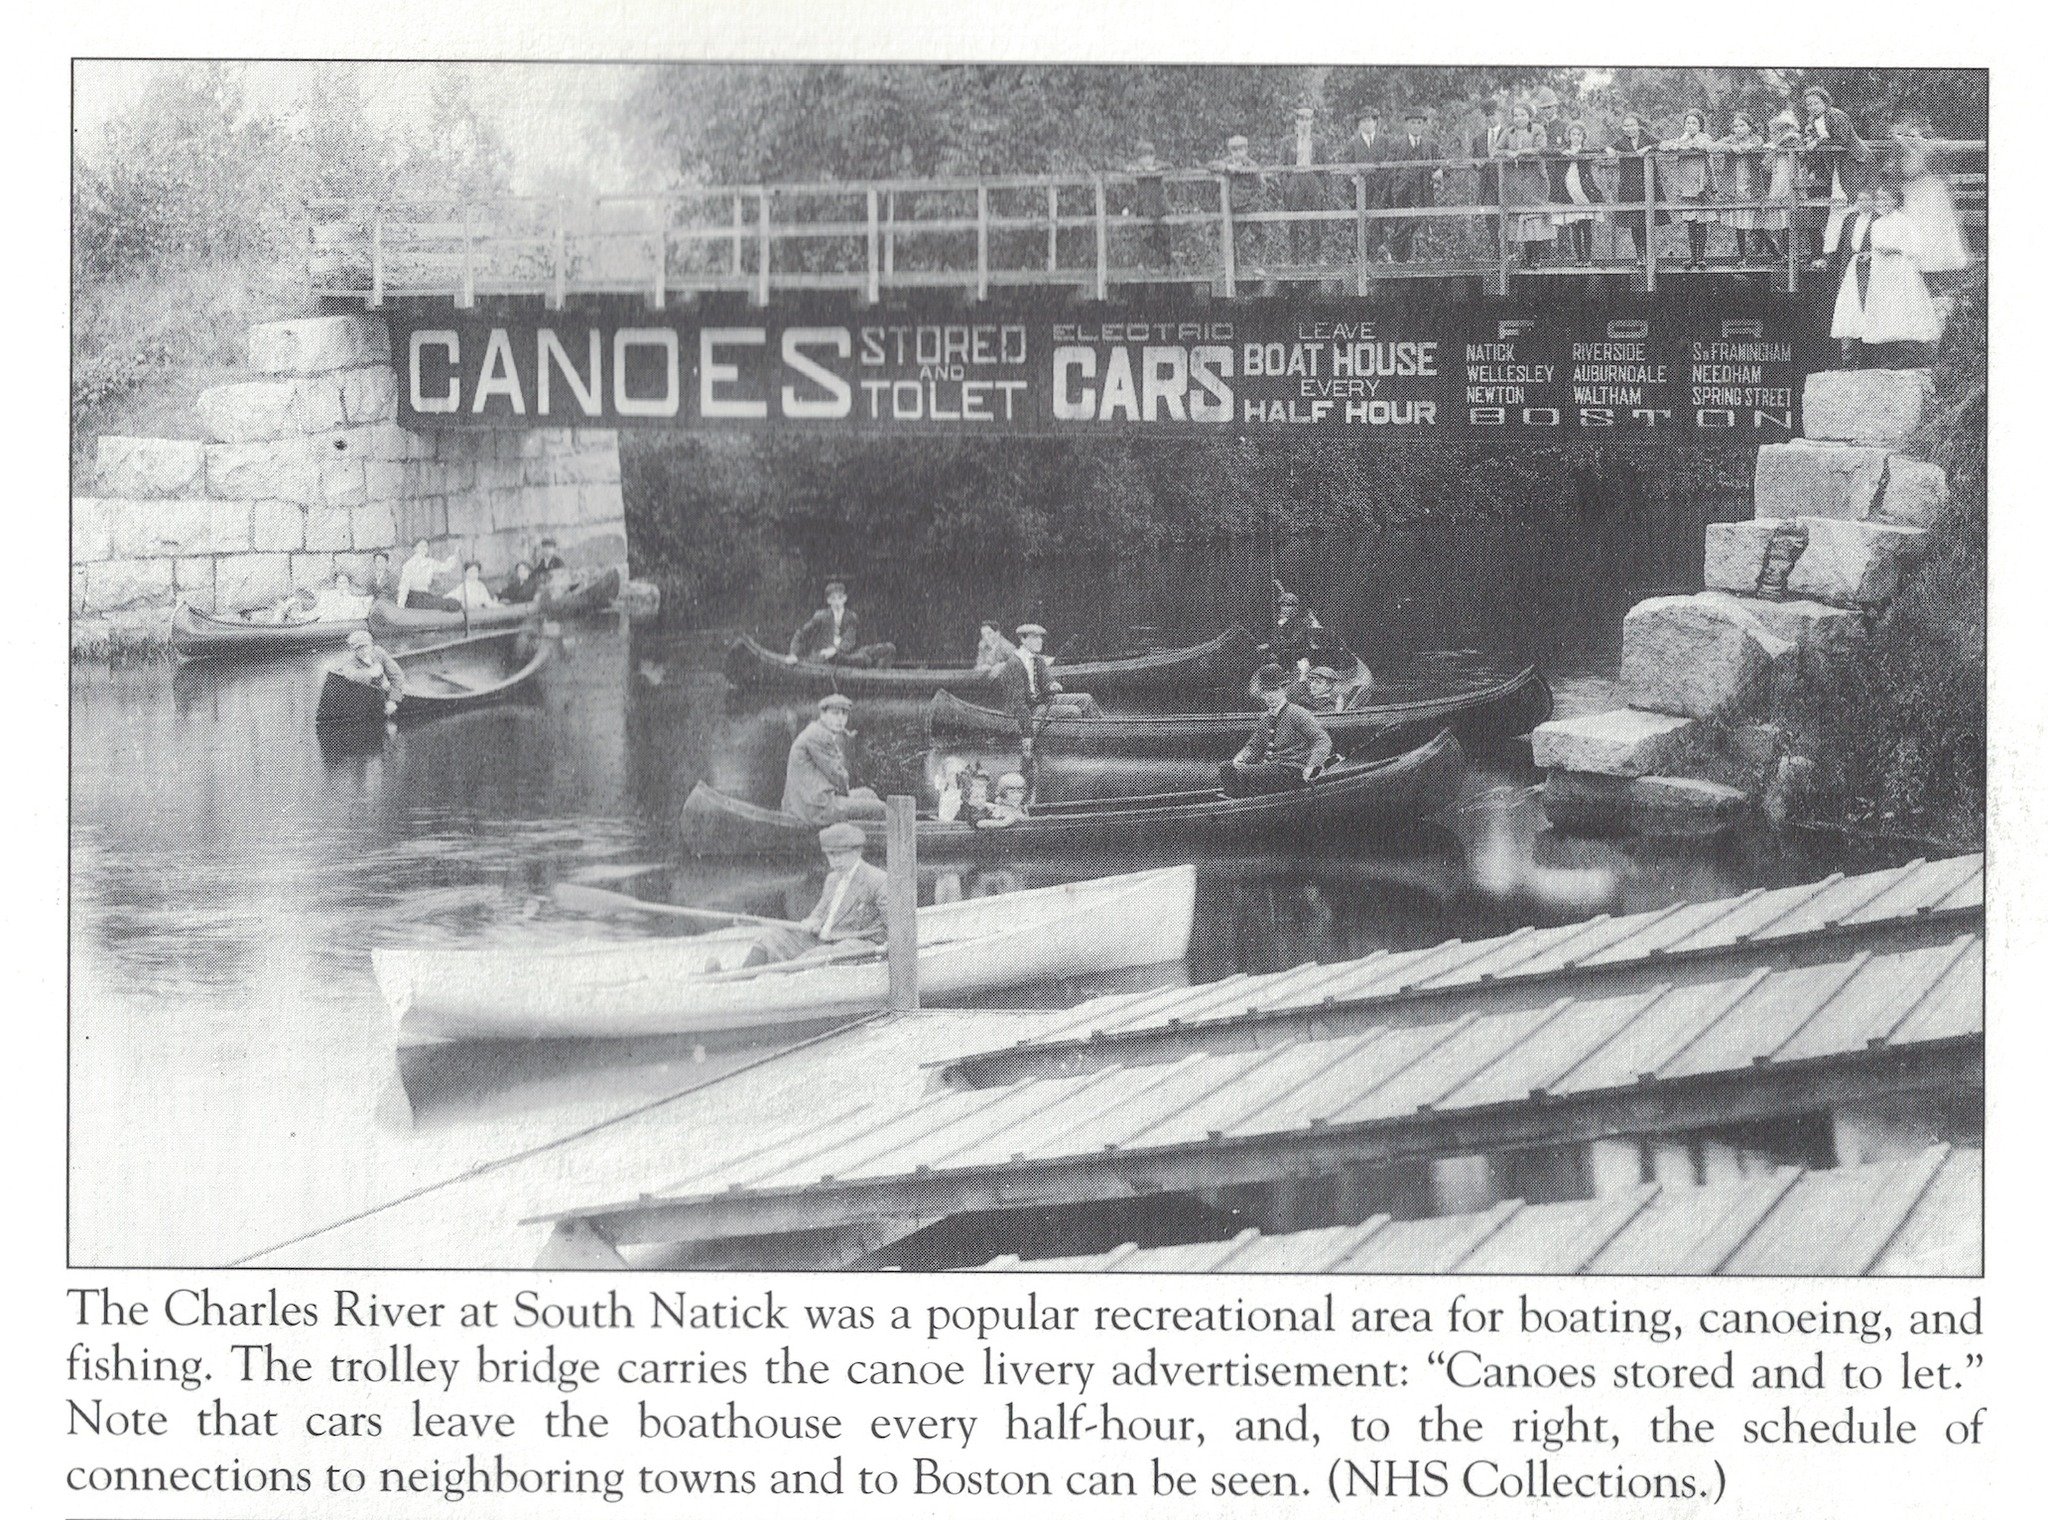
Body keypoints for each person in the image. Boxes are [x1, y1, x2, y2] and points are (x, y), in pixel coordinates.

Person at [1835, 180, 1942, 366]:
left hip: (1900, 270)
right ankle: (1889, 356)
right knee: (1885, 311)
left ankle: (1909, 356)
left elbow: (1915, 247)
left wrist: (1895, 249)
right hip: (1883, 272)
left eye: (1887, 199)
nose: (1883, 203)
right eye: (1880, 199)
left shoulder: (1904, 221)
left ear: (1895, 200)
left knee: (1903, 308)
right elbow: (1875, 247)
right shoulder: (1877, 224)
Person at [1221, 664, 1334, 797]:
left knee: (1245, 773)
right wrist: (1240, 758)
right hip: (1272, 769)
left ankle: (1243, 803)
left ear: (1283, 690)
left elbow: (1323, 740)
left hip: (1293, 770)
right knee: (1227, 767)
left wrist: (1313, 766)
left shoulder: (1298, 713)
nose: (1269, 696)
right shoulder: (1265, 717)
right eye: (1265, 692)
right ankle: (1237, 800)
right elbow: (1254, 745)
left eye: (1274, 690)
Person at [780, 693, 888, 824]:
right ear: (823, 715)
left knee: (868, 793)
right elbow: (837, 776)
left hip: (811, 800)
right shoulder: (820, 736)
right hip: (814, 807)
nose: (840, 719)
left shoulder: (817, 730)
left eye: (844, 714)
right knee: (880, 808)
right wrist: (846, 796)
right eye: (835, 713)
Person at [1800, 85, 1873, 265]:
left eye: (1816, 103)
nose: (1813, 107)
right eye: (1809, 104)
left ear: (1825, 102)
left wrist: (1818, 142)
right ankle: (1836, 252)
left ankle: (1854, 249)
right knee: (1838, 205)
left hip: (1854, 162)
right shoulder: (1814, 121)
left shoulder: (1836, 115)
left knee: (1851, 202)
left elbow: (1842, 140)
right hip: (1838, 165)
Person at [1891, 120, 1970, 276]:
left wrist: (1907, 143)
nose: (1910, 139)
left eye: (1914, 135)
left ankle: (1934, 264)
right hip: (1914, 191)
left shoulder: (1926, 150)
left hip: (1929, 192)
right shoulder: (1902, 153)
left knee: (1931, 227)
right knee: (1914, 226)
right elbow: (1904, 172)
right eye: (1907, 135)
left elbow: (1916, 168)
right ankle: (1915, 263)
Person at [1381, 106, 1444, 264]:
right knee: (1405, 223)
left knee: (1415, 222)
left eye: (1419, 123)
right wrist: (1397, 180)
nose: (1416, 126)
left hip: (1423, 192)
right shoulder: (1397, 145)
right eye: (1413, 123)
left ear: (1423, 125)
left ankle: (1391, 249)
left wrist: (1441, 170)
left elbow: (1444, 161)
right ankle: (1402, 259)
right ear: (1407, 125)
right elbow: (1387, 167)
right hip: (1402, 193)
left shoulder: (1430, 145)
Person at [1658, 110, 1720, 268]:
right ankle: (1692, 257)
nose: (1690, 126)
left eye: (1694, 123)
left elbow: (1704, 146)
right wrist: (1677, 143)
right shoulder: (1681, 140)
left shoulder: (1705, 138)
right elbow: (1666, 146)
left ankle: (1701, 257)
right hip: (1687, 185)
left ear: (1700, 125)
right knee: (1691, 222)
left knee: (1702, 221)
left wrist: (1686, 143)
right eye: (1688, 123)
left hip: (1701, 184)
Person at [786, 579, 896, 667]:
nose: (837, 602)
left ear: (845, 598)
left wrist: (836, 650)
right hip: (824, 656)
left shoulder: (851, 617)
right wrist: (793, 654)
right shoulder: (820, 616)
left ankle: (877, 677)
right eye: (833, 599)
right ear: (828, 601)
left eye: (839, 598)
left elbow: (849, 640)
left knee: (889, 648)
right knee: (864, 660)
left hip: (845, 654)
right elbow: (800, 634)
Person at [1497, 102, 1554, 268]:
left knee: (1534, 217)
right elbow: (1497, 150)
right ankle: (1527, 257)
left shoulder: (1537, 130)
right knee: (1520, 218)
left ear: (1529, 116)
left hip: (1535, 180)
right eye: (1516, 115)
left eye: (1522, 115)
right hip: (1516, 181)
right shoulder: (1509, 132)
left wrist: (1520, 152)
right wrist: (1508, 152)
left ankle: (1536, 257)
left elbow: (1540, 149)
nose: (1519, 118)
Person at [1209, 133, 1272, 274]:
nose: (1237, 153)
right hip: (1233, 208)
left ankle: (1259, 266)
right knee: (1231, 238)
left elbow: (1261, 187)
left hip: (1249, 207)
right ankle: (1234, 269)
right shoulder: (1227, 162)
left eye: (1240, 150)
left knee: (1262, 234)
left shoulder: (1251, 165)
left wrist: (1254, 204)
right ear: (1230, 151)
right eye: (1234, 150)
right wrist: (1226, 167)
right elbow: (1211, 166)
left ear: (1246, 150)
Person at [1715, 112, 1772, 264]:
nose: (1738, 129)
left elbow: (1761, 147)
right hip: (1735, 188)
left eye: (1742, 125)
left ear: (1750, 127)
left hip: (1752, 188)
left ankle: (1775, 251)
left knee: (1756, 223)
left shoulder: (1756, 139)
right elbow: (1713, 146)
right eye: (1736, 126)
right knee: (1739, 224)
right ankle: (1743, 257)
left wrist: (1750, 147)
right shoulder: (1731, 140)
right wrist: (1731, 148)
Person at [1549, 120, 1606, 265]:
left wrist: (1582, 152)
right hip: (1569, 191)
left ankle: (1588, 258)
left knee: (1586, 226)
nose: (1575, 137)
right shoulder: (1563, 151)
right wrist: (1563, 152)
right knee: (1574, 226)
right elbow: (1548, 151)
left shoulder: (1585, 150)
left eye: (1579, 135)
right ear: (1569, 136)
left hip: (1583, 192)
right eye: (1573, 134)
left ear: (1583, 137)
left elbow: (1598, 151)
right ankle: (1579, 258)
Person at [1335, 109, 1387, 262]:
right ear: (1359, 125)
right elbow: (1345, 165)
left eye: (1370, 120)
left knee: (1378, 221)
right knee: (1360, 222)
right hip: (1359, 190)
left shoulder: (1384, 141)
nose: (1367, 124)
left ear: (1375, 122)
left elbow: (1389, 162)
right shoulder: (1353, 143)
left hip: (1379, 189)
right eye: (1363, 121)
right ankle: (1361, 257)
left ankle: (1377, 257)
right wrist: (1353, 178)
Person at [1606, 112, 1658, 262]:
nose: (1629, 129)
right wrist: (1609, 150)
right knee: (1634, 223)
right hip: (1629, 187)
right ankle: (1640, 255)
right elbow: (1609, 147)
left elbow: (1661, 144)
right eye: (1626, 126)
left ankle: (1650, 255)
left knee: (1647, 221)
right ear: (1623, 128)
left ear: (1638, 125)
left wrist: (1648, 148)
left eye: (1632, 125)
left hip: (1646, 184)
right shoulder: (1622, 141)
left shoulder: (1646, 136)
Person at [1264, 585, 1349, 673]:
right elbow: (1277, 638)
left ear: (1295, 608)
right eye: (1282, 605)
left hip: (1300, 660)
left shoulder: (1300, 623)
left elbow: (1294, 641)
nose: (1284, 608)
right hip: (1284, 659)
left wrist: (1270, 645)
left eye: (1288, 605)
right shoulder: (1280, 623)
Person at [1121, 138, 1173, 268]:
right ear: (1139, 159)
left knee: (1164, 236)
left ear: (1153, 156)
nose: (1146, 160)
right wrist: (1133, 169)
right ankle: (1146, 264)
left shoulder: (1157, 166)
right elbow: (1127, 168)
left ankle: (1166, 264)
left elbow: (1169, 166)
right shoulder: (1138, 169)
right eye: (1143, 157)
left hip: (1159, 207)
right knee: (1147, 236)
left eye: (1149, 156)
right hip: (1145, 208)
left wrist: (1154, 168)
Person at [342, 628, 406, 717]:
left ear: (371, 645)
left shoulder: (379, 652)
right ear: (353, 650)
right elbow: (350, 674)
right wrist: (369, 673)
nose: (364, 651)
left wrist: (393, 700)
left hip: (383, 692)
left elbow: (397, 676)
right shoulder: (350, 660)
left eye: (366, 646)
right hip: (364, 699)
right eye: (359, 648)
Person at [396, 539, 461, 611]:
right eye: (421, 546)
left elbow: (445, 567)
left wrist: (456, 554)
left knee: (452, 601)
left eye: (425, 546)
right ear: (415, 548)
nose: (423, 548)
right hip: (414, 598)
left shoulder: (430, 562)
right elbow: (404, 586)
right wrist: (401, 605)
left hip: (426, 596)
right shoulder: (409, 565)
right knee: (450, 603)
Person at [308, 567, 372, 623]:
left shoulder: (353, 600)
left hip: (343, 628)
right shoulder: (328, 595)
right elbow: (317, 611)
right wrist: (303, 617)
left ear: (348, 584)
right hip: (325, 627)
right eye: (339, 582)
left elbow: (360, 615)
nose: (341, 585)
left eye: (344, 582)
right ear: (336, 584)